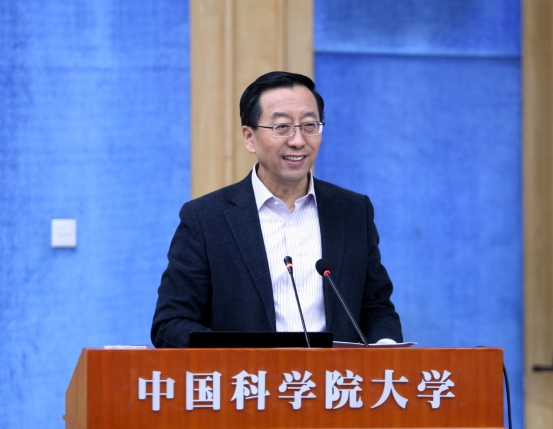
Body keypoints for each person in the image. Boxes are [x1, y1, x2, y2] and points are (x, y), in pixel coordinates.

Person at [151, 71, 402, 347]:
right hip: (245, 374)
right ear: (249, 137)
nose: (298, 141)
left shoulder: (353, 212)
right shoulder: (205, 219)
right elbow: (171, 323)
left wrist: (385, 348)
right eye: (282, 127)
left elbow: (376, 307)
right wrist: (239, 358)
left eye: (309, 125)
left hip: (336, 375)